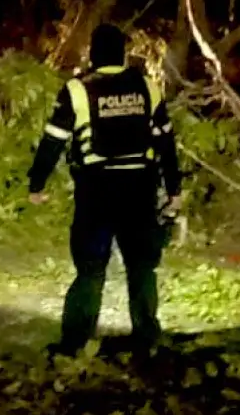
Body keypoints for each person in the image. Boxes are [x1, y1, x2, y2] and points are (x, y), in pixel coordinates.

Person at [26, 23, 183, 358]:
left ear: (93, 53)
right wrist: (174, 188)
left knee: (90, 267)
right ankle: (147, 337)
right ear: (123, 52)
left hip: (96, 191)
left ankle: (75, 341)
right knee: (141, 266)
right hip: (140, 188)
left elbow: (53, 140)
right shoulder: (147, 87)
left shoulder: (77, 89)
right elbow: (165, 141)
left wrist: (36, 184)